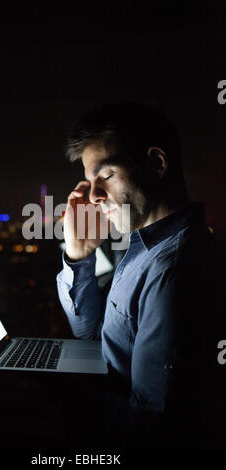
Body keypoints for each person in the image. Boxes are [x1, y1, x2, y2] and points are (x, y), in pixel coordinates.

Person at [56, 101, 221, 449]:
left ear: (157, 164)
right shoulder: (139, 249)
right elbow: (96, 340)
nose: (95, 196)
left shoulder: (172, 270)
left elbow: (150, 426)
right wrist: (79, 256)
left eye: (106, 175)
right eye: (89, 182)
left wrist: (63, 398)